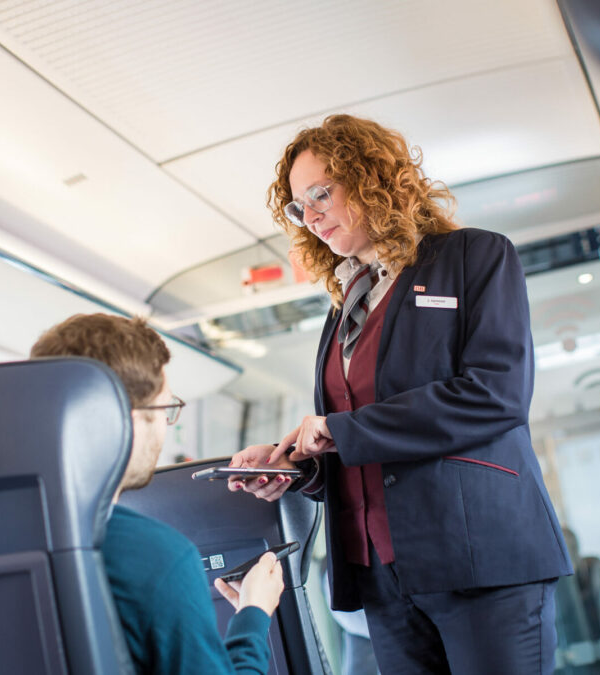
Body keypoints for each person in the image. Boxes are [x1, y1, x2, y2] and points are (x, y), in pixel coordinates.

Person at [226, 115, 573, 673]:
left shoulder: (473, 257)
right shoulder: (345, 306)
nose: (310, 216)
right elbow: (356, 443)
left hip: (481, 560)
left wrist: (338, 430)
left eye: (321, 194)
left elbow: (495, 394)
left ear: (372, 180)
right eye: (298, 206)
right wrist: (294, 466)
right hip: (383, 581)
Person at [31, 313, 284, 675]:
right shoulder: (156, 557)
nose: (165, 428)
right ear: (129, 418)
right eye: (165, 409)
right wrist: (254, 613)